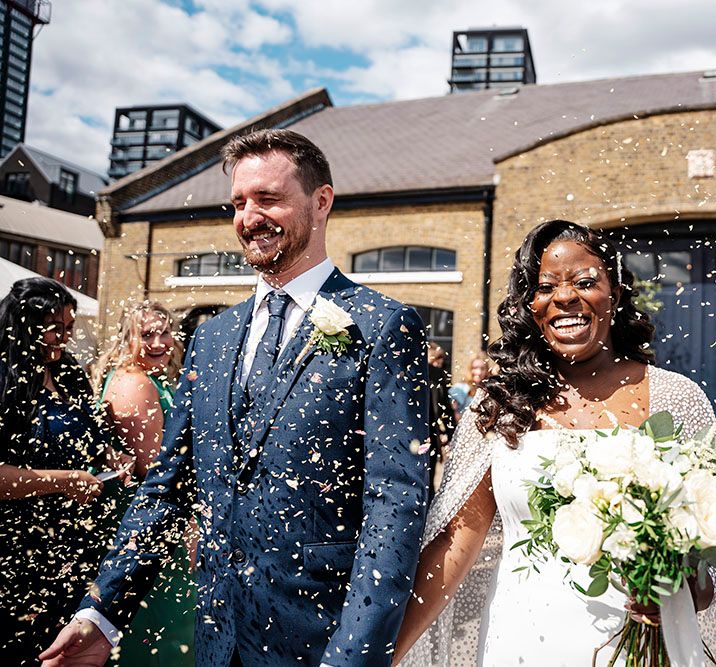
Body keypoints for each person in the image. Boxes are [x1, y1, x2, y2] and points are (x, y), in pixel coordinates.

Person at [41, 128, 430, 667]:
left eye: (268, 198)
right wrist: (103, 611)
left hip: (320, 641)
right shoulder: (211, 338)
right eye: (238, 203)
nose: (249, 218)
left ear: (321, 202)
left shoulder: (382, 324)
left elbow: (395, 505)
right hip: (217, 639)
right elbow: (166, 487)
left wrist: (356, 654)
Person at [394, 220, 716, 666]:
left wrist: (672, 581)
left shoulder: (676, 398)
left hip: (650, 647)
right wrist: (382, 655)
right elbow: (455, 544)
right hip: (523, 645)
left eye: (586, 282)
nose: (565, 297)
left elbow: (711, 573)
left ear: (615, 293)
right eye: (545, 286)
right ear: (528, 305)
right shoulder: (498, 407)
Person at [0, 277, 123, 664]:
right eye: (57, 329)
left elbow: (93, 433)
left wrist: (111, 458)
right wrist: (65, 481)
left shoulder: (69, 371)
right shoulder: (4, 379)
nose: (65, 339)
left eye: (69, 329)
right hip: (17, 551)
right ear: (27, 325)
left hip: (76, 543)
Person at [92, 301, 195, 665]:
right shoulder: (137, 384)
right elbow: (156, 471)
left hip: (152, 518)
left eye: (164, 332)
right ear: (127, 339)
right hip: (151, 523)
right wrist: (193, 522)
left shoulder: (150, 377)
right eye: (146, 334)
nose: (158, 342)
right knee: (162, 626)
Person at [426, 343, 455, 500]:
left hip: (427, 437)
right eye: (438, 358)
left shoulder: (436, 375)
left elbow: (445, 409)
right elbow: (445, 409)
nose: (441, 362)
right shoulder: (435, 374)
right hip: (427, 435)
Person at [448, 352, 495, 421]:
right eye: (475, 368)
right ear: (469, 369)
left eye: (482, 368)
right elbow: (454, 416)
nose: (479, 372)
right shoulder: (459, 389)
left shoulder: (490, 389)